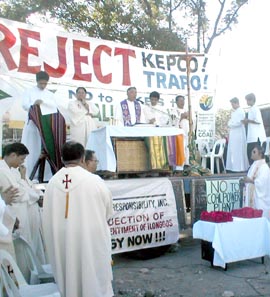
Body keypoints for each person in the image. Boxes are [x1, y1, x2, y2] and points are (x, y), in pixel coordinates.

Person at [42, 141, 114, 297]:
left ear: (62, 158)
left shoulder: (52, 183)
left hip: (63, 243)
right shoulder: (94, 181)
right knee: (93, 279)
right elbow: (108, 212)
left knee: (70, 279)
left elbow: (46, 216)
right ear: (82, 158)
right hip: (90, 241)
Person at [0, 143, 46, 265]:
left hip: (20, 212)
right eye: (21, 159)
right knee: (17, 253)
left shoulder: (10, 170)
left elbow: (23, 188)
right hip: (13, 214)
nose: (21, 163)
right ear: (13, 155)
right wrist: (36, 196)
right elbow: (18, 193)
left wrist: (23, 178)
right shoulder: (2, 171)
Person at [21, 70, 66, 182]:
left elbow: (54, 108)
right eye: (41, 83)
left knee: (47, 149)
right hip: (34, 126)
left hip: (47, 128)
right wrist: (34, 104)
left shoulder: (50, 94)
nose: (43, 85)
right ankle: (31, 174)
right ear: (37, 81)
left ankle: (47, 175)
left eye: (45, 83)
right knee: (33, 149)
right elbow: (25, 105)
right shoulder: (29, 91)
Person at [243, 144, 270, 218]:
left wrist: (251, 181)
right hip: (251, 196)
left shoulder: (264, 167)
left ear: (260, 154)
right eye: (252, 151)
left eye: (254, 152)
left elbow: (263, 183)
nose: (252, 153)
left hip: (260, 201)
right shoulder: (253, 165)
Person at [241, 93, 266, 165]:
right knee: (250, 153)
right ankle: (253, 169)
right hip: (251, 136)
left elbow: (258, 121)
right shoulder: (251, 109)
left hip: (256, 137)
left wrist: (248, 120)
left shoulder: (256, 109)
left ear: (251, 100)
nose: (247, 102)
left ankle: (256, 170)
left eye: (247, 101)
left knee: (254, 154)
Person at [226, 97, 249, 172]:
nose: (232, 106)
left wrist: (231, 124)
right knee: (234, 151)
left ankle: (240, 168)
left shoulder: (241, 111)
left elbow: (240, 122)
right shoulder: (234, 112)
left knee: (239, 151)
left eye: (232, 104)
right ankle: (234, 167)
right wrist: (230, 124)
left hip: (239, 134)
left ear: (236, 103)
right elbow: (230, 121)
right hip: (233, 134)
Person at [173, 95, 189, 166]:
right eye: (180, 101)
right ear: (176, 102)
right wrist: (181, 117)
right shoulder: (174, 111)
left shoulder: (187, 110)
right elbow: (173, 122)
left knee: (187, 148)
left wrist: (189, 117)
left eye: (183, 100)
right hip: (179, 133)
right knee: (181, 147)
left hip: (187, 132)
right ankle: (180, 165)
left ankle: (187, 163)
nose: (182, 102)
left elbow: (192, 121)